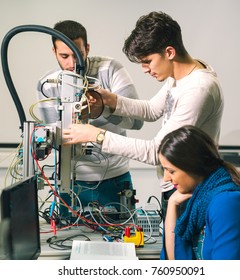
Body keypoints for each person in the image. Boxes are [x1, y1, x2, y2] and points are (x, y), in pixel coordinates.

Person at [63, 11, 224, 217]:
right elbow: (151, 110)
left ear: (170, 52)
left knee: (182, 249)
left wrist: (95, 135)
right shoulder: (182, 74)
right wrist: (108, 101)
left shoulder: (198, 89)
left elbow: (157, 152)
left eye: (147, 61)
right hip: (177, 184)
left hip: (191, 190)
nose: (144, 69)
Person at [37, 20, 143, 213]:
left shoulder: (110, 70)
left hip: (114, 179)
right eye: (64, 56)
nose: (72, 63)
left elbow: (137, 121)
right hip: (70, 183)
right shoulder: (47, 85)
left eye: (77, 54)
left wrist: (102, 110)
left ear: (87, 48)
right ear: (54, 52)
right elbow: (55, 140)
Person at [158, 125, 240, 260]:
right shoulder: (198, 199)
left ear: (192, 166)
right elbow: (174, 261)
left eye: (171, 171)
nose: (166, 178)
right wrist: (172, 203)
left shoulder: (227, 203)